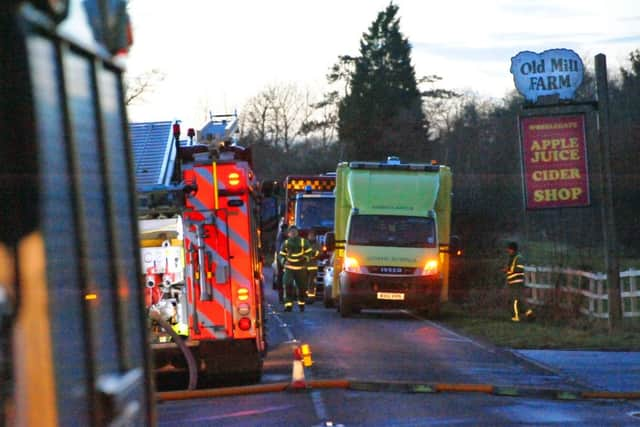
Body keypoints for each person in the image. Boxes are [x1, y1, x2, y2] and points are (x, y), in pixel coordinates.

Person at [278, 226, 312, 312]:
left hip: (300, 269)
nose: (293, 233)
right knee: (287, 284)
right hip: (289, 269)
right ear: (288, 234)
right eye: (291, 232)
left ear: (297, 232)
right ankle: (288, 305)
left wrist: (305, 258)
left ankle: (301, 304)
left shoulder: (303, 242)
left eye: (294, 231)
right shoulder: (285, 243)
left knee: (302, 288)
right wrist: (284, 261)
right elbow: (281, 254)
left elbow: (309, 252)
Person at [503, 241, 534, 322]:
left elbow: (519, 268)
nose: (508, 251)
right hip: (512, 282)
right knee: (519, 300)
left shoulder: (518, 258)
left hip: (517, 282)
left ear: (513, 249)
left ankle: (516, 317)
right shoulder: (512, 258)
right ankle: (529, 313)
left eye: (509, 249)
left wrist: (508, 270)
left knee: (514, 300)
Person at [305, 230, 321, 299]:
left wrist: (314, 255)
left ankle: (311, 297)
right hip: (305, 266)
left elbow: (320, 252)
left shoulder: (317, 244)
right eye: (310, 235)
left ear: (315, 237)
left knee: (311, 283)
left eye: (312, 236)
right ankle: (304, 296)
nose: (311, 237)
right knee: (304, 282)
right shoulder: (305, 243)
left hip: (313, 267)